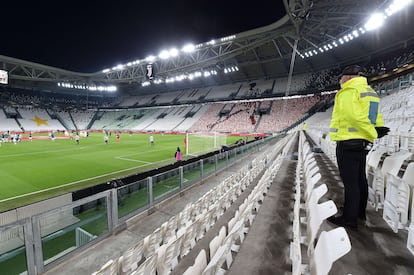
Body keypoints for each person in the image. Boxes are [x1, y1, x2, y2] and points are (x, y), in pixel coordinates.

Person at [327, 65, 389, 230]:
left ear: (348, 77)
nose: (340, 80)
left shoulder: (348, 91)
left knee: (351, 183)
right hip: (363, 143)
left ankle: (349, 219)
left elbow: (353, 117)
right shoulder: (370, 92)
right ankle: (358, 211)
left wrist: (372, 132)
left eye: (341, 76)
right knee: (360, 179)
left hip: (348, 142)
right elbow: (376, 116)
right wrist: (376, 129)